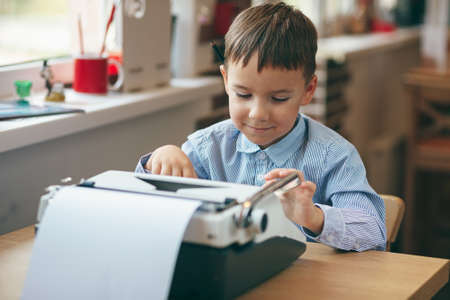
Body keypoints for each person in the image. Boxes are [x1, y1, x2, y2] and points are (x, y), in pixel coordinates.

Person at [135, 1, 386, 251]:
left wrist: (313, 216)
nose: (257, 114)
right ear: (226, 80)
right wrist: (159, 161)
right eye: (243, 95)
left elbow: (373, 231)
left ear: (308, 90)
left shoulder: (335, 155)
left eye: (278, 98)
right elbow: (154, 211)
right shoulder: (205, 149)